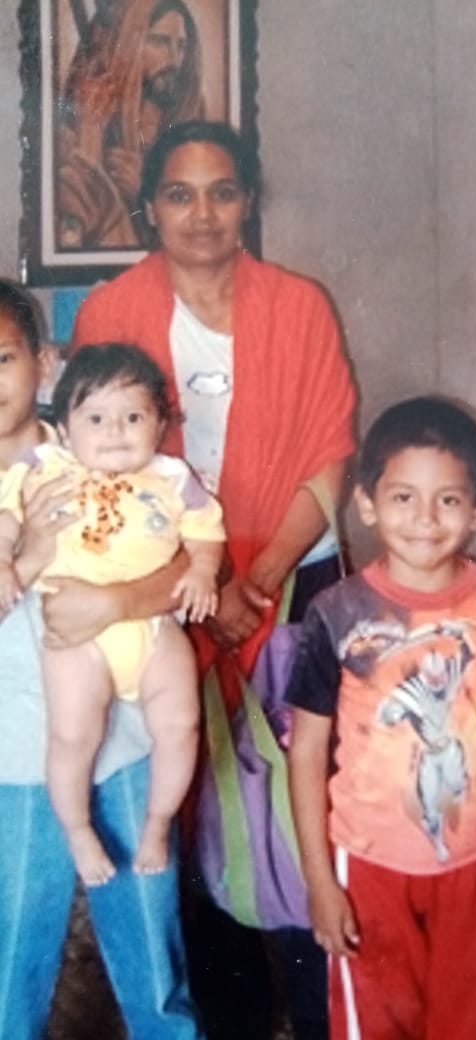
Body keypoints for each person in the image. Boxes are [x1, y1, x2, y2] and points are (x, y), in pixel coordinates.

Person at [71, 120, 356, 1038]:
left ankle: (319, 1008)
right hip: (164, 591)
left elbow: (328, 453)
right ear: (151, 205)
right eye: (181, 194)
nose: (203, 213)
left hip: (290, 579)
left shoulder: (300, 306)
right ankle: (228, 1016)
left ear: (249, 201)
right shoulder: (109, 312)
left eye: (223, 191)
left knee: (304, 796)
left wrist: (259, 578)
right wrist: (209, 586)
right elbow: (97, 473)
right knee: (188, 803)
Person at [287, 397, 476, 1040]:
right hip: (367, 864)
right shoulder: (335, 613)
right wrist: (319, 882)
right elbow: (306, 753)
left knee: (471, 1023)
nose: (425, 520)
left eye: (449, 501)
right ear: (368, 504)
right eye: (403, 498)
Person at [0, 279, 204, 1038]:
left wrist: (116, 604)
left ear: (45, 363)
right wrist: (29, 554)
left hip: (124, 743)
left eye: (1, 358)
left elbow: (183, 568)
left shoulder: (106, 436)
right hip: (14, 759)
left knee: (153, 954)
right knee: (13, 957)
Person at [0, 343, 224, 885]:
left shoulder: (172, 477)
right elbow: (7, 516)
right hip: (77, 642)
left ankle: (157, 822)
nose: (115, 431)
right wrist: (7, 560)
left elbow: (205, 533)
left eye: (133, 417)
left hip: (152, 629)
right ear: (67, 425)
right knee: (73, 735)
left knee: (180, 723)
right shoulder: (44, 466)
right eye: (96, 418)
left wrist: (201, 571)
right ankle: (77, 829)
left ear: (160, 424)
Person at [57, 0, 205, 248]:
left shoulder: (191, 119)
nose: (174, 59)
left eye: (180, 46)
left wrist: (146, 193)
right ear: (129, 43)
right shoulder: (75, 127)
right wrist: (90, 143)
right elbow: (71, 235)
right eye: (159, 41)